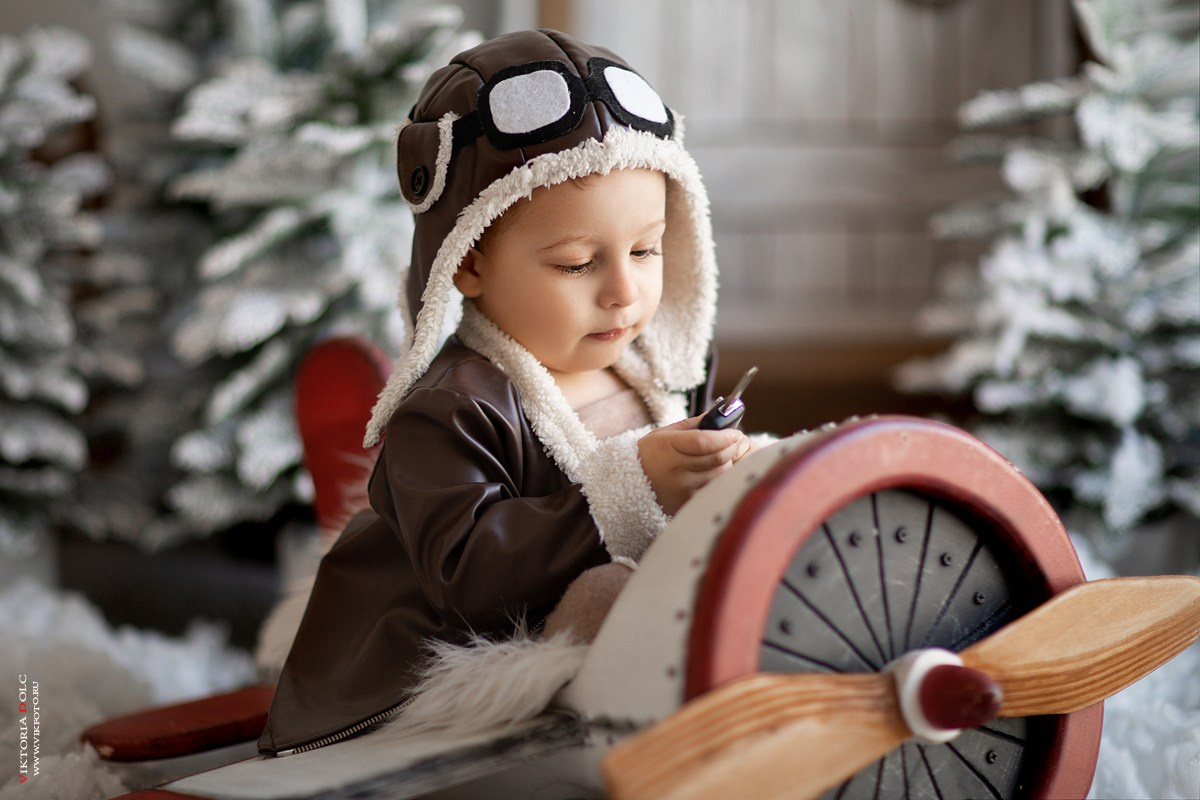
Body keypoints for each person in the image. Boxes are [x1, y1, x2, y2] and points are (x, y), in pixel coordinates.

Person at [257, 28, 752, 756]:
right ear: (470, 260)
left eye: (647, 250)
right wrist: (633, 485)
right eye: (578, 263)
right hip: (453, 659)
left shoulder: (662, 370)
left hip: (631, 652)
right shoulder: (452, 406)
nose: (624, 291)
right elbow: (464, 575)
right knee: (611, 598)